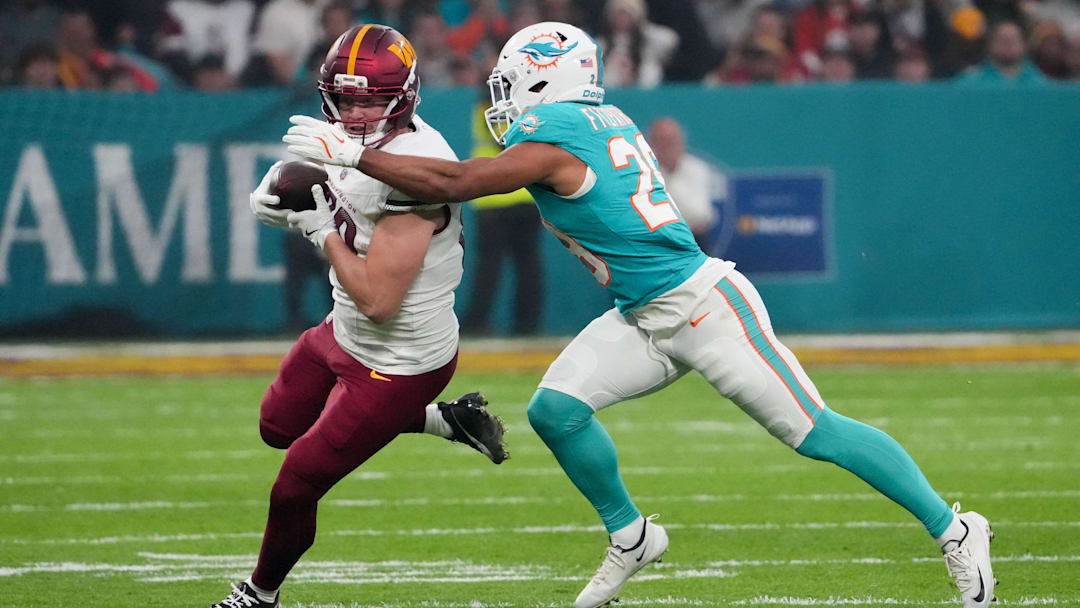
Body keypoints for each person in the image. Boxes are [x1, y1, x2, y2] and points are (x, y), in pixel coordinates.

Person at [282, 21, 997, 608]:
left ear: (544, 77)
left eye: (510, 81)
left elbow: (461, 181)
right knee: (558, 412)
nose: (501, 97)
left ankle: (955, 527)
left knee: (815, 433)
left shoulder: (559, 132)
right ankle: (632, 537)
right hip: (640, 313)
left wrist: (352, 155)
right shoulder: (593, 116)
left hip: (703, 308)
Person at [210, 24, 508, 608]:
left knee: (296, 483)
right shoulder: (344, 139)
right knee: (276, 427)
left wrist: (318, 230)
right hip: (342, 330)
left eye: (370, 98)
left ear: (403, 96)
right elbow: (329, 194)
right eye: (345, 98)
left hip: (399, 361)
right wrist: (280, 197)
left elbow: (380, 299)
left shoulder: (418, 166)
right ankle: (446, 422)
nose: (355, 111)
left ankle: (259, 596)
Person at [460, 99, 543, 336]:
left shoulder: (485, 106)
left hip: (492, 197)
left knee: (490, 266)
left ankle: (477, 322)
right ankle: (527, 326)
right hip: (526, 194)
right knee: (527, 265)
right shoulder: (528, 107)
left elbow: (502, 141)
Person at [645, 117, 714, 248]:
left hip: (693, 241)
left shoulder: (698, 169)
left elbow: (700, 215)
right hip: (655, 243)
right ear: (650, 144)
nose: (668, 147)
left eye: (672, 141)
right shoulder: (644, 172)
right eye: (661, 142)